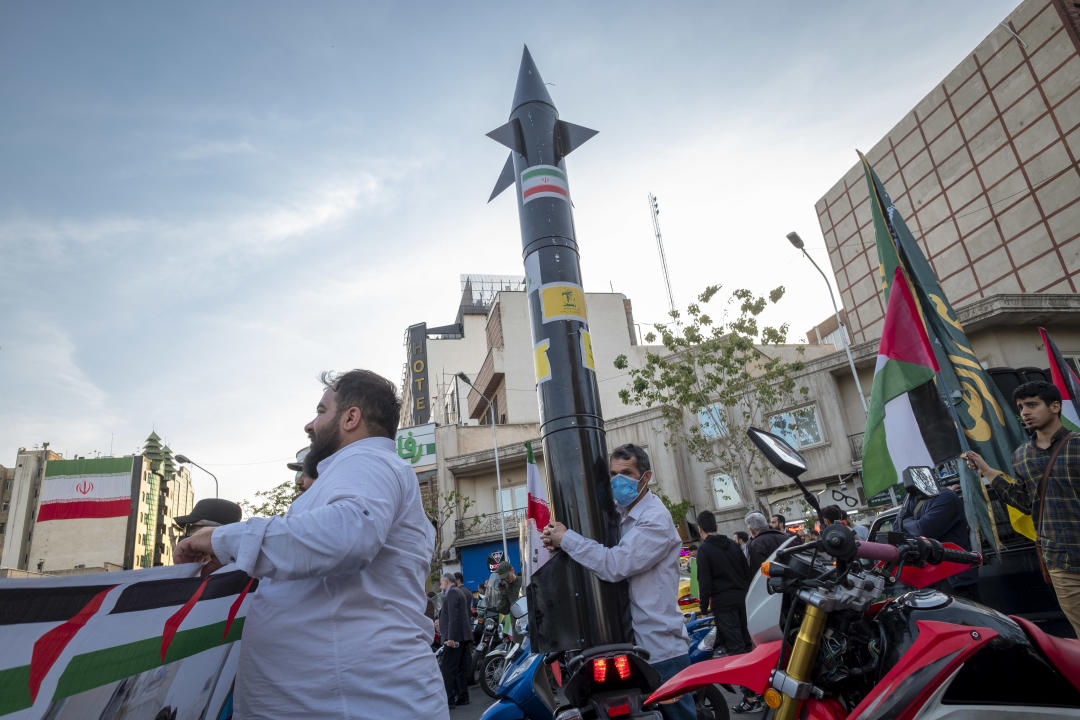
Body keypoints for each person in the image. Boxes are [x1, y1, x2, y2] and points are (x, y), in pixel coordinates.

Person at [174, 369, 446, 719]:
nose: (310, 424)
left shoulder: (366, 461)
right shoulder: (359, 470)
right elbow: (320, 573)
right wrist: (235, 565)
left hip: (360, 705)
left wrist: (220, 538)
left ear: (351, 418)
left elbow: (345, 536)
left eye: (321, 411)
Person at [542, 444, 695, 720]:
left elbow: (614, 565)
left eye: (626, 473)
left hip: (662, 651)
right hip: (635, 648)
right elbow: (593, 541)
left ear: (645, 477)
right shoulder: (621, 514)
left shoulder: (654, 520)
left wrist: (567, 539)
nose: (617, 481)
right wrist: (560, 541)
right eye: (612, 474)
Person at [966, 380, 1080, 636]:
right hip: (1061, 564)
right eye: (1020, 407)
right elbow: (1023, 502)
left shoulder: (1077, 445)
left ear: (1055, 407)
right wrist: (985, 469)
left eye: (1032, 405)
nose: (1025, 412)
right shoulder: (1020, 456)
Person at [696, 511, 761, 714]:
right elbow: (746, 571)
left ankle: (751, 697)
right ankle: (759, 690)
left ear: (700, 529)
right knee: (748, 646)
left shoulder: (704, 550)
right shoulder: (733, 545)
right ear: (715, 525)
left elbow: (704, 581)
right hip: (743, 600)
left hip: (724, 605)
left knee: (737, 650)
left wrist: (704, 607)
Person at [896, 478, 980, 601]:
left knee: (965, 618)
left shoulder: (946, 497)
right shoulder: (913, 500)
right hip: (932, 579)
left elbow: (922, 529)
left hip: (955, 577)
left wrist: (907, 523)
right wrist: (910, 523)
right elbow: (897, 528)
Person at [439, 573, 472, 707]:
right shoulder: (459, 592)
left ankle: (450, 700)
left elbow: (453, 617)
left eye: (441, 582)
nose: (440, 585)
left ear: (446, 581)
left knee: (447, 669)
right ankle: (463, 697)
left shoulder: (452, 593)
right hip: (462, 637)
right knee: (459, 669)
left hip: (454, 638)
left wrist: (450, 638)